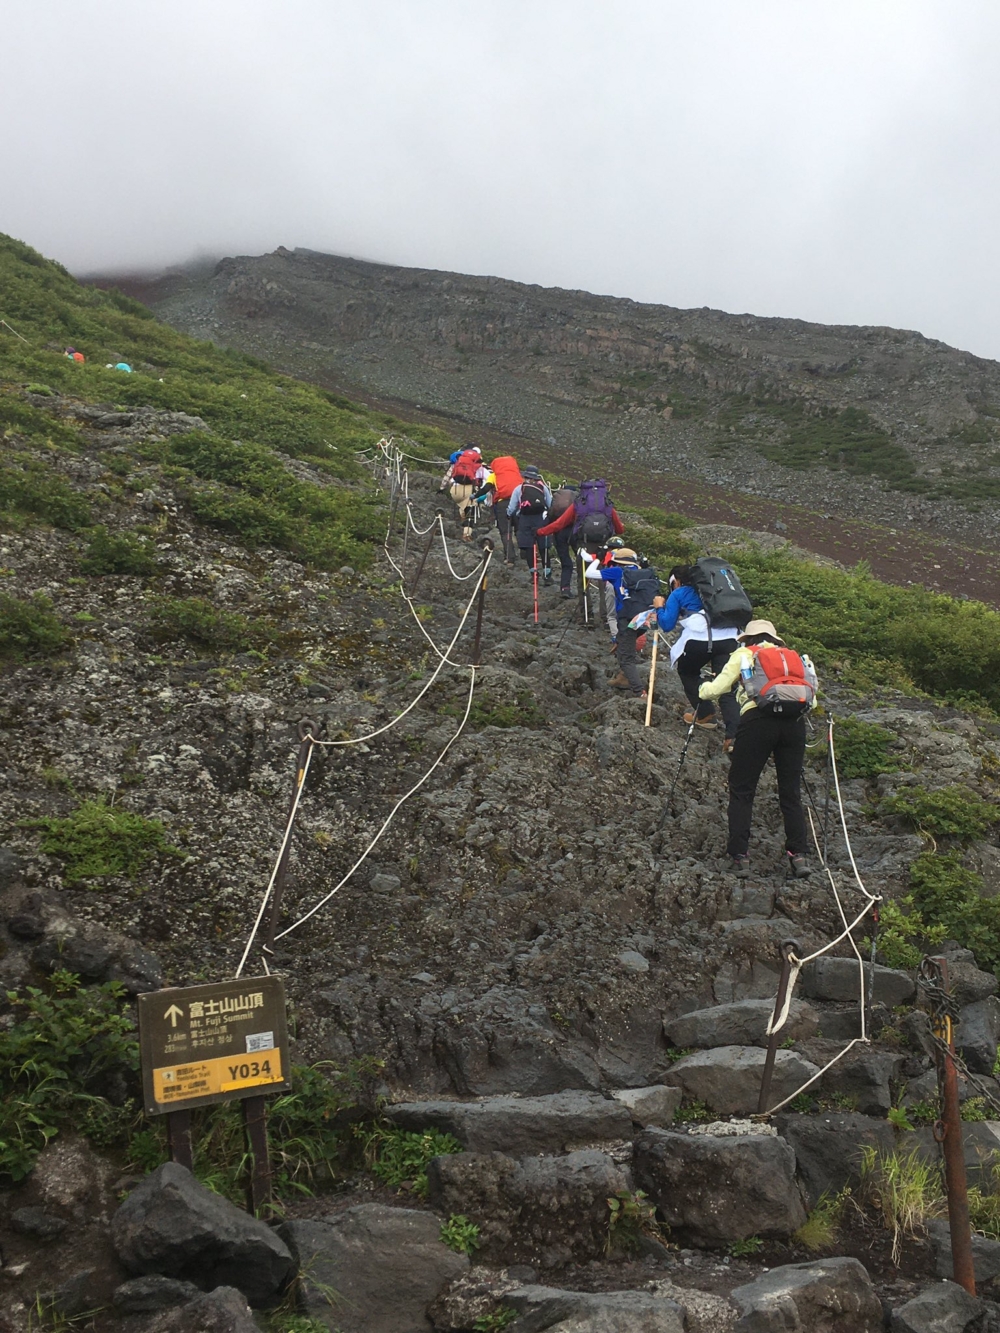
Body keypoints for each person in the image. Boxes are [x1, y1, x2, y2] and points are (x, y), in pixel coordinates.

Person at [698, 619, 818, 879]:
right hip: (794, 725)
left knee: (742, 789)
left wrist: (702, 689)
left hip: (757, 722)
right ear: (775, 639)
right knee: (790, 792)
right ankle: (799, 856)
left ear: (749, 638)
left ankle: (739, 857)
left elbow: (716, 689)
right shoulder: (793, 657)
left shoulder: (745, 654)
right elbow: (814, 700)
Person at [653, 565, 741, 750]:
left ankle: (705, 714)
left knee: (688, 671)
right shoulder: (717, 589)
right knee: (726, 685)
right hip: (729, 638)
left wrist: (659, 608)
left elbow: (667, 624)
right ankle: (734, 737)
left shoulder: (681, 592)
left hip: (699, 639)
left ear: (676, 580)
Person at [583, 547, 659, 699]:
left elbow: (588, 573)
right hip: (647, 618)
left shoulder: (618, 571)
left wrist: (597, 559)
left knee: (626, 657)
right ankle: (623, 678)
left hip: (628, 618)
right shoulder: (647, 572)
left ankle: (639, 692)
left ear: (618, 561)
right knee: (623, 642)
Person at [538, 482, 626, 598]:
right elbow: (619, 529)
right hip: (603, 546)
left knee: (582, 575)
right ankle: (604, 613)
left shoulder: (579, 505)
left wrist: (540, 532)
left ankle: (583, 608)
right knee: (603, 576)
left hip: (583, 543)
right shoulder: (607, 506)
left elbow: (559, 524)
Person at [507, 465, 552, 577]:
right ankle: (547, 575)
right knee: (543, 547)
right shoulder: (543, 488)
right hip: (540, 519)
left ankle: (534, 574)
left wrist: (508, 514)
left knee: (529, 547)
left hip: (525, 519)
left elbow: (512, 507)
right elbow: (550, 504)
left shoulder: (519, 488)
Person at [448, 446, 487, 540]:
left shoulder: (459, 463)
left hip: (455, 490)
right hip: (469, 491)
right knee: (470, 513)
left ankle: (462, 513)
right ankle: (466, 534)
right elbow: (488, 481)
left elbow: (450, 480)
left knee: (462, 504)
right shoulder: (480, 468)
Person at [489, 455, 523, 563]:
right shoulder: (517, 475)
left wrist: (475, 497)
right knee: (519, 530)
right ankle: (525, 554)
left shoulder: (494, 476)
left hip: (502, 504)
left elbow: (486, 488)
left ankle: (510, 557)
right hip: (518, 503)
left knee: (505, 531)